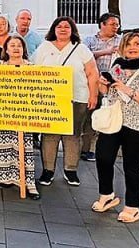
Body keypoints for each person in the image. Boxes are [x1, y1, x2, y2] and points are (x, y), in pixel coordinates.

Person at [91, 32, 139, 224]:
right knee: (103, 156)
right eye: (128, 44)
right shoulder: (118, 66)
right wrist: (103, 85)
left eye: (137, 44)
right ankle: (106, 194)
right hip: (114, 120)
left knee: (132, 165)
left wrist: (127, 90)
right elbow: (106, 92)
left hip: (138, 124)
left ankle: (132, 206)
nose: (132, 47)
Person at [33, 17, 98, 186]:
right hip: (49, 100)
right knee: (49, 135)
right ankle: (48, 171)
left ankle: (71, 170)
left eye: (66, 27)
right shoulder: (44, 48)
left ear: (72, 30)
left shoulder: (81, 49)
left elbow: (92, 73)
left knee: (73, 135)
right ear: (53, 29)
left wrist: (93, 96)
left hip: (77, 98)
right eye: (59, 26)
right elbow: (32, 70)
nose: (63, 29)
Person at [0, 37, 39, 198]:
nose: (16, 48)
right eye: (12, 45)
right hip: (4, 113)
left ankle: (28, 183)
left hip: (24, 114)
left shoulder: (31, 67)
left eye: (19, 45)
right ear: (6, 49)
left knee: (25, 148)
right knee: (4, 146)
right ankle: (7, 178)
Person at [81, 13, 122, 162]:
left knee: (108, 114)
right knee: (89, 116)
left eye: (117, 24)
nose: (115, 27)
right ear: (102, 24)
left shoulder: (121, 41)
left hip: (112, 85)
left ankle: (96, 148)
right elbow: (85, 56)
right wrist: (106, 51)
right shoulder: (90, 40)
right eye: (112, 24)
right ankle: (84, 148)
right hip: (91, 84)